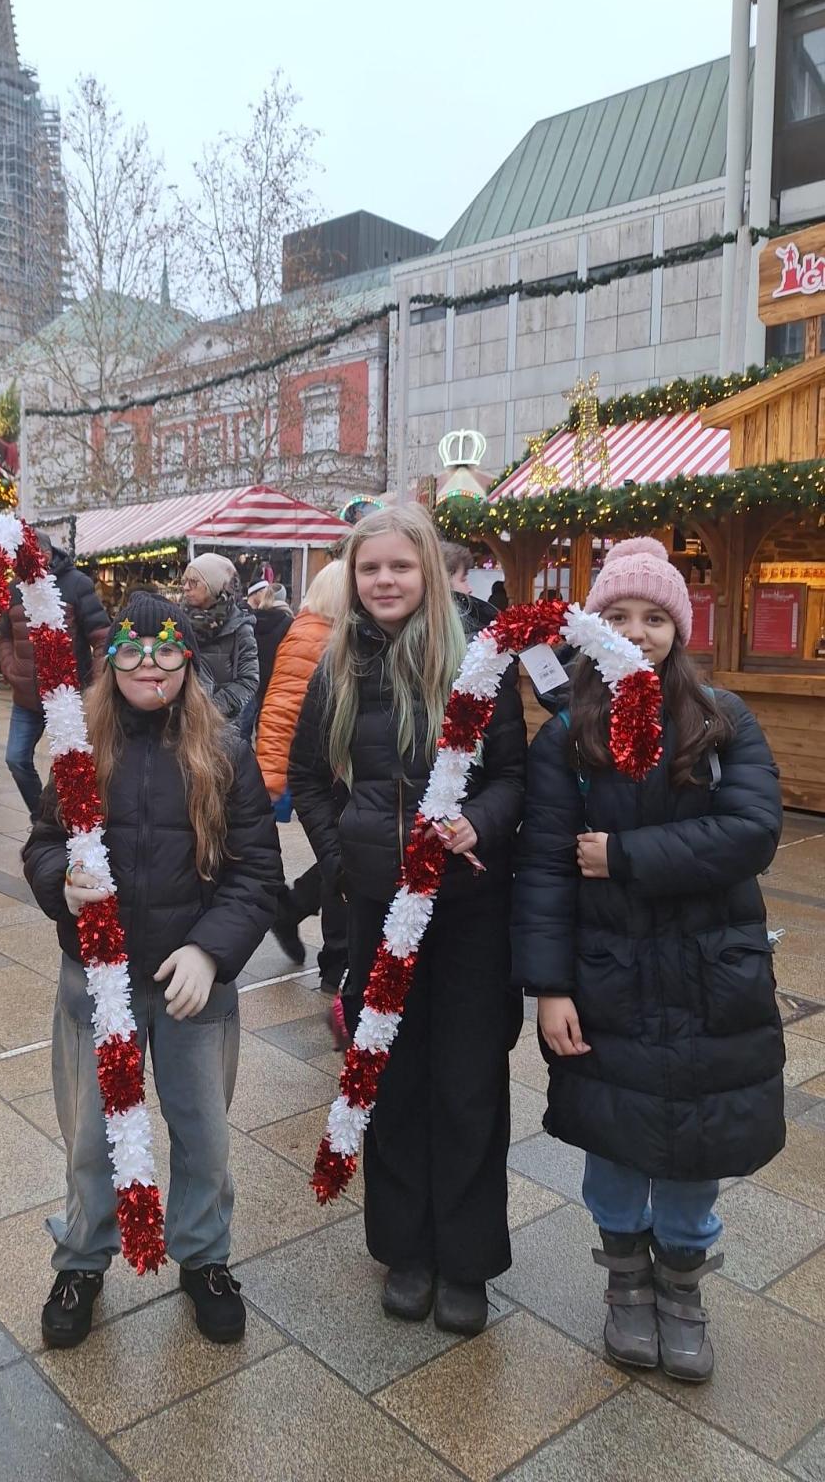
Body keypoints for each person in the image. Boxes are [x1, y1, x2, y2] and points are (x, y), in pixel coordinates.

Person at [512, 537, 784, 1383]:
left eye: (655, 617)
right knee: (616, 1138)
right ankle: (626, 1282)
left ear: (679, 627)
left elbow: (752, 834)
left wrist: (626, 855)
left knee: (699, 1147)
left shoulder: (722, 719)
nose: (638, 631)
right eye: (620, 616)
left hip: (712, 974)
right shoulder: (568, 736)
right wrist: (549, 986)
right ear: (596, 627)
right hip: (609, 975)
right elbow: (546, 866)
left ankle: (682, 1287)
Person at [289, 504, 525, 1335]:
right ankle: (406, 1249)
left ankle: (465, 1257)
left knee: (466, 1082)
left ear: (428, 570)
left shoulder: (478, 660)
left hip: (467, 912)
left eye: (399, 566)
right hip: (378, 909)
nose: (384, 581)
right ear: (351, 578)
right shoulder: (336, 666)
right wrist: (342, 857)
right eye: (369, 568)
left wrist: (478, 824)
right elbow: (309, 777)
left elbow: (512, 778)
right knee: (387, 1075)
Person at [23, 592, 281, 1349]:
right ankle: (82, 1258)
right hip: (95, 976)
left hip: (191, 978)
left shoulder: (224, 751)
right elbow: (43, 842)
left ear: (188, 660)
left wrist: (211, 950)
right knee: (91, 1132)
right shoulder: (80, 750)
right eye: (132, 651)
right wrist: (60, 883)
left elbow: (257, 870)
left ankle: (204, 1255)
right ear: (110, 663)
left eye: (166, 649)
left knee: (202, 1128)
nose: (149, 666)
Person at [256, 561, 349, 988]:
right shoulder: (317, 635)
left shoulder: (319, 630)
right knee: (340, 859)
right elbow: (283, 708)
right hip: (320, 773)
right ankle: (334, 960)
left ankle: (292, 910)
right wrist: (273, 778)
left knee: (342, 857)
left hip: (330, 770)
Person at [0, 531, 111, 816]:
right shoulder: (13, 589)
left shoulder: (77, 584)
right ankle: (42, 819)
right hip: (26, 697)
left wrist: (97, 685)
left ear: (45, 556)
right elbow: (4, 636)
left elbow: (101, 637)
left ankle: (69, 821)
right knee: (16, 759)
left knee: (71, 764)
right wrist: (11, 669)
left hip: (69, 695)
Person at [180, 553, 259, 727]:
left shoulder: (239, 627)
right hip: (178, 723)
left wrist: (211, 710)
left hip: (218, 726)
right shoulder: (176, 621)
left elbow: (248, 680)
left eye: (193, 582)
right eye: (184, 581)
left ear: (213, 585)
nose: (185, 587)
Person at [246, 581, 294, 733]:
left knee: (245, 727)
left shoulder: (251, 619)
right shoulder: (289, 623)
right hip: (276, 680)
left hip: (252, 678)